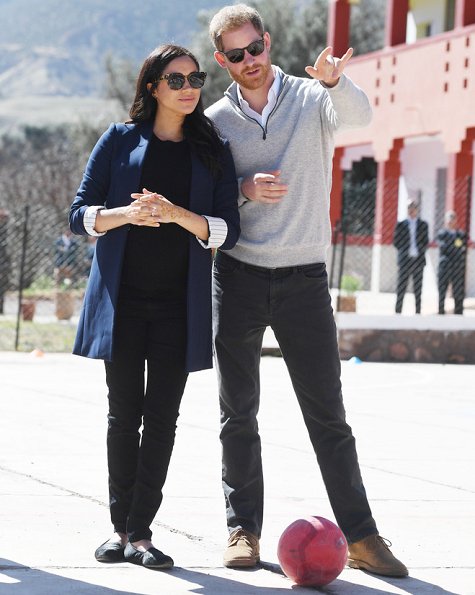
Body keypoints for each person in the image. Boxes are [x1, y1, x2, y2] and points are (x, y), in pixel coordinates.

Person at [206, 3, 407, 578]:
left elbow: (361, 117)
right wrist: (243, 188)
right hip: (238, 276)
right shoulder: (215, 120)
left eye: (256, 48)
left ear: (268, 42)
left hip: (304, 280)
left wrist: (336, 82)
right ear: (222, 60)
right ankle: (242, 530)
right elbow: (209, 196)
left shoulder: (312, 96)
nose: (250, 60)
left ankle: (363, 537)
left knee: (328, 416)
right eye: (237, 54)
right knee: (237, 414)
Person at [69, 44, 239, 571]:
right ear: (152, 87)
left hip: (178, 307)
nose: (189, 89)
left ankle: (142, 533)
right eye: (176, 80)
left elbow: (226, 230)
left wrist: (175, 214)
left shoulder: (212, 149)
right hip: (121, 303)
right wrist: (126, 214)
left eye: (196, 79)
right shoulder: (118, 140)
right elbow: (79, 215)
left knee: (162, 419)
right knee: (123, 416)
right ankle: (118, 529)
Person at [393, 199, 429, 314]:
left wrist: (420, 249)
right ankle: (398, 311)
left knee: (418, 287)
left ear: (417, 209)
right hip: (405, 259)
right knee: (401, 286)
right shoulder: (401, 224)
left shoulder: (423, 225)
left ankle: (418, 311)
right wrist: (404, 250)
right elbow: (396, 241)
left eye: (413, 207)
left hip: (418, 259)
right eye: (409, 207)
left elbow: (425, 241)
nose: (411, 210)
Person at [437, 210, 467, 314]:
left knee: (458, 290)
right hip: (444, 266)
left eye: (453, 218)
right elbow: (443, 247)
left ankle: (458, 312)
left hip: (457, 267)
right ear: (446, 220)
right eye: (449, 218)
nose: (451, 221)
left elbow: (462, 248)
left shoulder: (461, 234)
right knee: (442, 289)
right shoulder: (442, 233)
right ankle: (441, 311)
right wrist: (455, 246)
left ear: (456, 220)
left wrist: (451, 246)